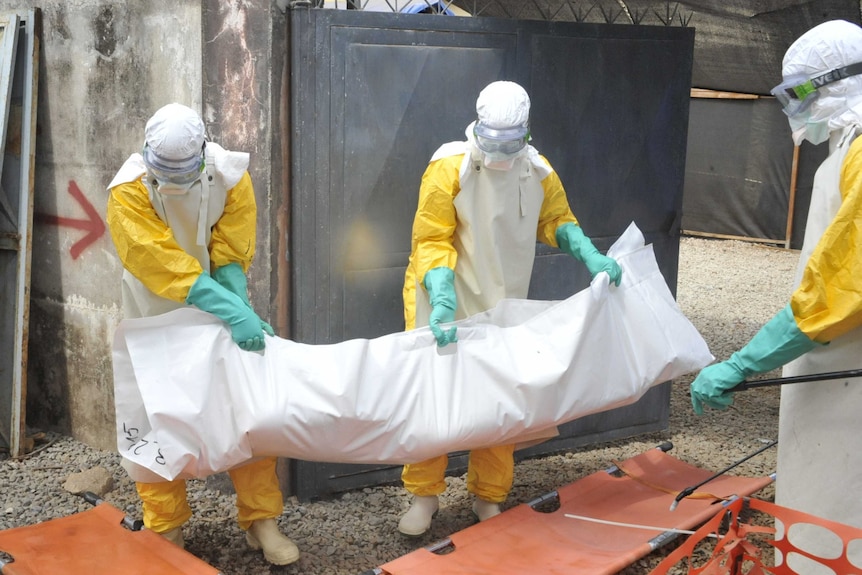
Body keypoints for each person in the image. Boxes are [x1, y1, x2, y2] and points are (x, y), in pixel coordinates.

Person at [397, 80, 623, 536]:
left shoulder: (538, 171)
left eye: (510, 142)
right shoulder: (449, 167)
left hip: (503, 297)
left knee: (501, 398)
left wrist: (586, 251)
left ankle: (488, 495)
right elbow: (431, 237)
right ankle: (424, 496)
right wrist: (441, 296)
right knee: (434, 396)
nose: (501, 151)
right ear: (477, 129)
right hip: (444, 294)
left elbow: (556, 218)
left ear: (526, 133)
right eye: (493, 140)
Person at [689, 19, 862, 553]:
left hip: (842, 373)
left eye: (798, 93)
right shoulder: (846, 149)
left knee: (838, 507)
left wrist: (743, 362)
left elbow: (836, 290)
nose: (793, 108)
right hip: (832, 365)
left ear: (832, 83)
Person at [106, 103, 299, 565]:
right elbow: (160, 263)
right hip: (153, 315)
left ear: (203, 153)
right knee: (157, 419)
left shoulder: (229, 175)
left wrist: (238, 306)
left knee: (245, 410)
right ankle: (166, 528)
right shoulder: (128, 190)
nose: (174, 181)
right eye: (165, 173)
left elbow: (229, 249)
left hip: (214, 313)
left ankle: (261, 521)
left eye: (184, 173)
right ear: (148, 155)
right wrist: (226, 307)